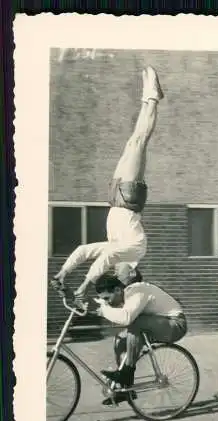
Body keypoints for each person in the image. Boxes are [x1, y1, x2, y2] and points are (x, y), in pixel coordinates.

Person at [51, 66, 164, 301]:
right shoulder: (133, 251)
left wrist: (62, 274)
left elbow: (84, 251)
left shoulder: (116, 248)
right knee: (139, 142)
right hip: (129, 197)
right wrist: (83, 286)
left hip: (116, 198)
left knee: (132, 142)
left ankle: (147, 97)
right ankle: (152, 98)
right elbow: (104, 259)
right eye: (121, 275)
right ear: (131, 272)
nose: (116, 272)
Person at [93, 271, 187, 405]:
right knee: (120, 339)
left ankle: (126, 373)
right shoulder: (127, 295)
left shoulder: (137, 291)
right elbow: (122, 316)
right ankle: (125, 390)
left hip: (175, 324)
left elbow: (126, 318)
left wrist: (104, 310)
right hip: (159, 324)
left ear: (118, 290)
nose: (108, 302)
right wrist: (105, 309)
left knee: (135, 322)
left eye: (108, 298)